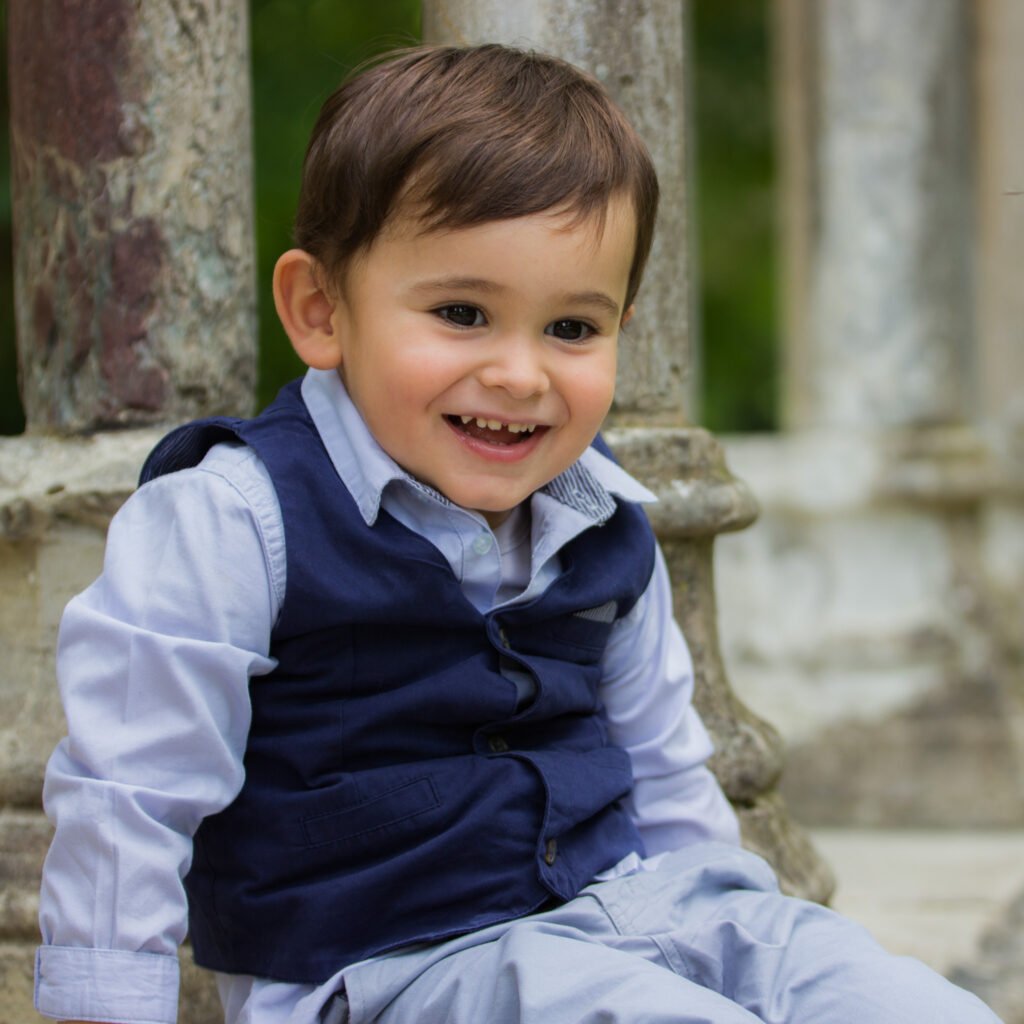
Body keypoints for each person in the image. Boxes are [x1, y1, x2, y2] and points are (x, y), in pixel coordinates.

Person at [34, 43, 1001, 1024]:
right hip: (397, 964)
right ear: (320, 310)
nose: (520, 373)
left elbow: (665, 774)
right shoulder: (236, 516)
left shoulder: (601, 519)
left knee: (891, 998)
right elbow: (132, 796)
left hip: (632, 906)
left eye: (572, 329)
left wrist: (732, 939)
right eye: (462, 313)